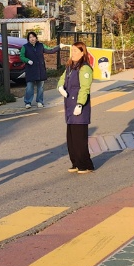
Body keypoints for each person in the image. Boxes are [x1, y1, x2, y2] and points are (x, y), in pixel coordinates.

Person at [57, 41, 94, 173]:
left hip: (79, 105)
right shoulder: (70, 66)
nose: (72, 53)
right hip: (69, 105)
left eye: (75, 51)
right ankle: (76, 162)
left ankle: (85, 164)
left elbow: (85, 88)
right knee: (71, 139)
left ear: (82, 53)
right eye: (72, 50)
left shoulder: (84, 68)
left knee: (79, 139)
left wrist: (80, 104)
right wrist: (60, 87)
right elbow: (62, 79)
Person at [20, 31, 51, 109]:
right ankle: (27, 102)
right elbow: (21, 56)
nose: (32, 39)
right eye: (30, 37)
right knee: (29, 87)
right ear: (28, 39)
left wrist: (59, 47)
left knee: (40, 87)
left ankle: (40, 101)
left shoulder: (41, 45)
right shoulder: (25, 47)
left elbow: (50, 50)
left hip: (40, 69)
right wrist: (27, 61)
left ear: (36, 38)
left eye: (33, 37)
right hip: (30, 70)